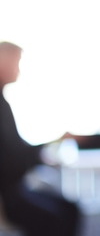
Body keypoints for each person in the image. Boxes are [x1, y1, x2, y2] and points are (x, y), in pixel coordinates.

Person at [0, 41, 81, 236]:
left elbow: (16, 148)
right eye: (16, 62)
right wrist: (49, 147)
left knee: (71, 209)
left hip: (16, 189)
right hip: (8, 195)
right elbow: (11, 159)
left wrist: (52, 143)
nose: (19, 69)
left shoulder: (3, 102)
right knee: (56, 218)